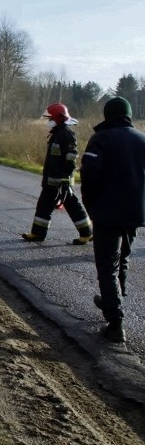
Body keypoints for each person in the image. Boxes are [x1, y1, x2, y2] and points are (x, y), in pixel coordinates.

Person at [80, 96, 145, 344]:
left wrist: (91, 207)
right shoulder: (142, 139)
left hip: (108, 213)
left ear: (107, 115)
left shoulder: (101, 139)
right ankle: (113, 299)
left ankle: (115, 322)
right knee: (123, 259)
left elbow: (89, 175)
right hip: (134, 214)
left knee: (107, 265)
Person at [22, 103, 93, 244]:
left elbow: (71, 158)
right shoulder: (57, 133)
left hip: (60, 181)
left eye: (51, 119)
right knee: (45, 206)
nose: (49, 122)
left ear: (59, 118)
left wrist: (65, 179)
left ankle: (86, 233)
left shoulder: (66, 134)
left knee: (69, 206)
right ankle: (38, 233)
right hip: (52, 181)